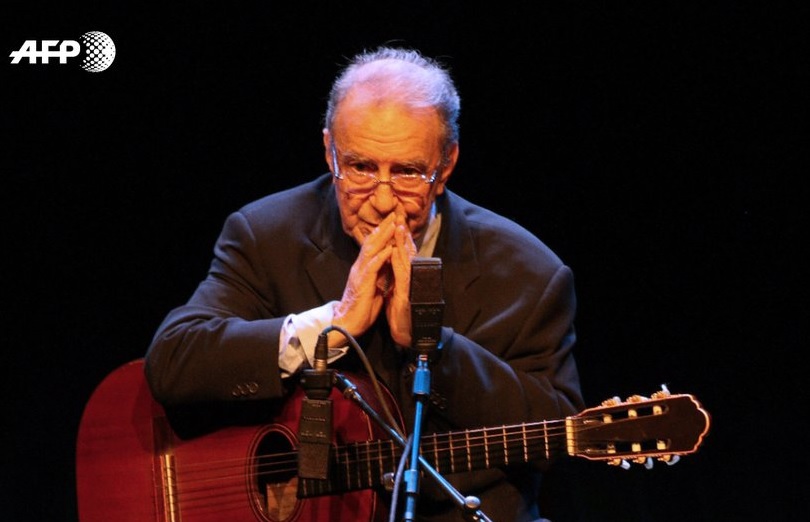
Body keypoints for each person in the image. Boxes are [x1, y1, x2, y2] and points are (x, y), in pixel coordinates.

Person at [145, 46, 585, 521]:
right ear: (328, 150)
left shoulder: (529, 274)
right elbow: (173, 361)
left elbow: (554, 434)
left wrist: (431, 344)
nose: (380, 200)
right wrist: (331, 324)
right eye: (359, 167)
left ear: (447, 165)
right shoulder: (266, 235)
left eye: (407, 172)